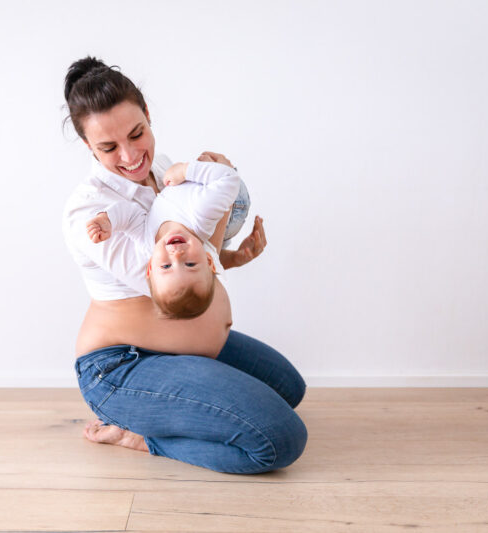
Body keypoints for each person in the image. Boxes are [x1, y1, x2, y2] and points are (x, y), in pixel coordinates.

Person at [62, 56, 308, 474]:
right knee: (280, 441)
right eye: (108, 148)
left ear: (148, 116)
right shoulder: (89, 213)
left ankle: (177, 411)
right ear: (89, 147)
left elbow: (195, 257)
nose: (130, 155)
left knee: (289, 388)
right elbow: (169, 271)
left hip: (175, 349)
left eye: (137, 133)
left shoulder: (161, 168)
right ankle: (142, 436)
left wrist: (231, 257)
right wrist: (222, 188)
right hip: (123, 366)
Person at [85, 157, 242, 318]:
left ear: (150, 267)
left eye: (166, 267)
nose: (177, 255)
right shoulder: (201, 214)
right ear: (208, 261)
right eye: (190, 264)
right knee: (215, 167)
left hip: (194, 192)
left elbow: (130, 216)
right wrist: (185, 170)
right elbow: (229, 179)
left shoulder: (147, 242)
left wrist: (108, 220)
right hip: (235, 205)